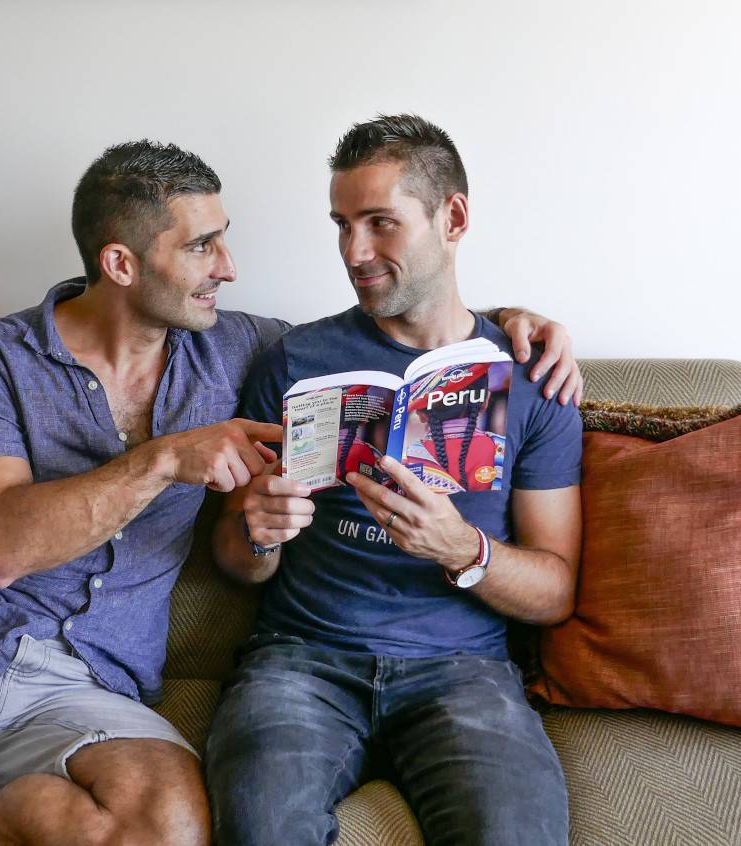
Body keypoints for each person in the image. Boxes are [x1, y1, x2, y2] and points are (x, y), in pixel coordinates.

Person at [0, 138, 581, 846]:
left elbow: (404, 323)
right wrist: (168, 464)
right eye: (204, 246)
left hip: (96, 682)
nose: (228, 266)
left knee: (170, 831)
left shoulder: (245, 347)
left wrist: (514, 323)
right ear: (120, 265)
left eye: (224, 240)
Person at [207, 115, 582, 846]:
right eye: (342, 225)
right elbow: (232, 561)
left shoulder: (531, 375)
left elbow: (557, 590)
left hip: (463, 669)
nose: (355, 252)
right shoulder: (294, 362)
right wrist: (259, 533)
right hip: (301, 659)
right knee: (260, 828)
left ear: (454, 217)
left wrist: (461, 549)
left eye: (381, 223)